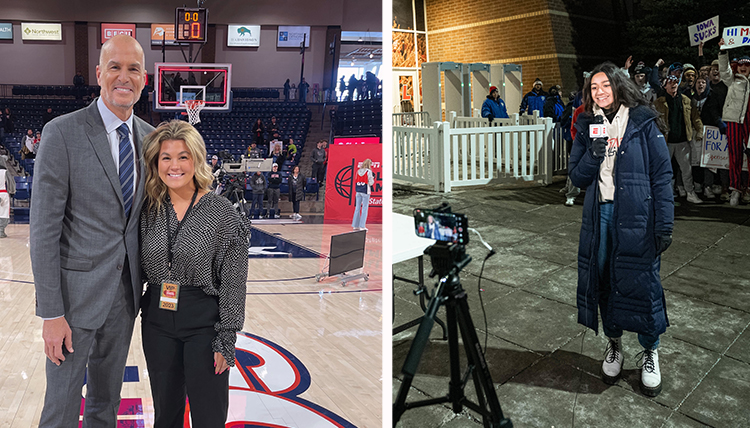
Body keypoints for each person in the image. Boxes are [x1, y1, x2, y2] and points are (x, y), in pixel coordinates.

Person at [30, 34, 154, 427]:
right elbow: (43, 231)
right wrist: (51, 313)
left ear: (144, 78)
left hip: (125, 295)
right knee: (62, 407)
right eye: (114, 67)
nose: (124, 76)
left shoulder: (151, 140)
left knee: (106, 404)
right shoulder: (62, 133)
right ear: (99, 74)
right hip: (73, 301)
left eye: (133, 68)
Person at [568, 62, 674, 398]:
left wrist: (665, 222)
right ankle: (614, 344)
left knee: (642, 281)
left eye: (605, 85)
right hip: (600, 214)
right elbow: (577, 177)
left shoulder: (642, 120)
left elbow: (661, 174)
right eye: (593, 87)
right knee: (604, 280)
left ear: (618, 86)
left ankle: (650, 350)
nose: (599, 92)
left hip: (637, 215)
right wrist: (593, 156)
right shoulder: (586, 123)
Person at [139, 120, 249, 427]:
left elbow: (234, 281)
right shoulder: (148, 208)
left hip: (204, 322)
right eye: (166, 157)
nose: (174, 165)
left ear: (197, 160)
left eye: (183, 156)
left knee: (209, 414)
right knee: (165, 412)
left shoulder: (221, 212)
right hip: (157, 319)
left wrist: (227, 337)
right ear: (156, 163)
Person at [654, 74, 704, 204]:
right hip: (666, 142)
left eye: (675, 82)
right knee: (662, 169)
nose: (673, 84)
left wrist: (700, 130)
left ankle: (690, 193)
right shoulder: (658, 103)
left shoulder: (686, 100)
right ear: (665, 86)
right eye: (670, 82)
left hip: (682, 141)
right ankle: (662, 194)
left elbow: (695, 117)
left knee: (687, 170)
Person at [717, 38, 750, 206]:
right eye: (741, 65)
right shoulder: (732, 80)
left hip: (749, 122)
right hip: (734, 121)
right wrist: (723, 51)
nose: (743, 68)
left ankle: (748, 189)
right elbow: (723, 70)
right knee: (734, 155)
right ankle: (735, 189)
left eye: (747, 65)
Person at [351, 158, 375, 230]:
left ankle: (355, 225)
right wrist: (372, 179)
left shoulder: (358, 171)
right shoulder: (369, 171)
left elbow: (356, 179)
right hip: (365, 191)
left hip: (358, 191)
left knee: (357, 208)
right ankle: (362, 226)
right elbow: (371, 182)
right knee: (364, 208)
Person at [0, 155, 16, 238]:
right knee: (4, 212)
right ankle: (1, 231)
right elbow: (11, 183)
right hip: (3, 194)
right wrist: (12, 192)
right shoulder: (5, 172)